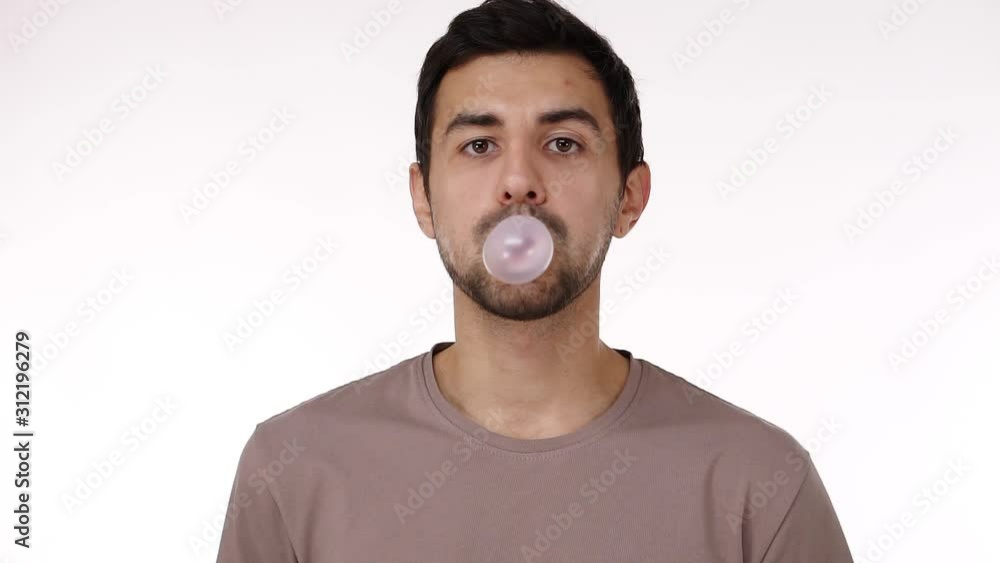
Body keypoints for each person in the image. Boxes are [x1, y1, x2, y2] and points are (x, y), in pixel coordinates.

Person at [216, 0, 854, 561]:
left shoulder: (758, 482)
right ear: (423, 199)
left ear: (630, 198)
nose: (519, 181)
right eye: (479, 146)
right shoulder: (294, 469)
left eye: (564, 143)